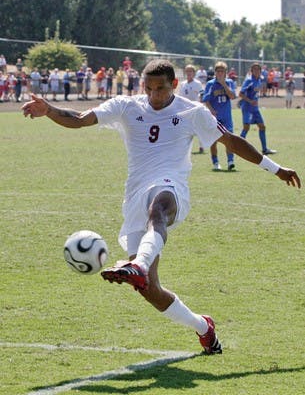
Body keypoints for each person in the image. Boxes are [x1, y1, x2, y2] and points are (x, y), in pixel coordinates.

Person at [22, 59, 301, 355]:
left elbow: (231, 141)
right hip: (134, 197)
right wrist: (49, 110)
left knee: (159, 206)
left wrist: (275, 168)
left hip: (172, 188)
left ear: (174, 85)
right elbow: (79, 119)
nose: (155, 95)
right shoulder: (127, 106)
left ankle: (138, 265)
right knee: (150, 291)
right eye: (150, 88)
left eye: (161, 89)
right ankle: (203, 327)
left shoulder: (192, 112)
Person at [201, 61, 236, 171]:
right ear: (215, 72)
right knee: (213, 140)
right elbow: (205, 100)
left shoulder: (229, 82)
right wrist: (211, 110)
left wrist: (224, 84)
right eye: (218, 71)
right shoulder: (210, 84)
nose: (220, 73)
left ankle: (230, 161)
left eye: (222, 71)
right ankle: (215, 162)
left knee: (229, 139)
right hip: (215, 117)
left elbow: (232, 96)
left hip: (226, 117)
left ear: (226, 73)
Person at [239, 63, 277, 155]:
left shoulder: (259, 80)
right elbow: (241, 94)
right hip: (247, 108)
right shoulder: (249, 80)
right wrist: (250, 101)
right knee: (246, 127)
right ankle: (238, 147)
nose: (257, 71)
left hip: (255, 109)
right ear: (251, 71)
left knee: (262, 126)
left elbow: (256, 92)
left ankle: (264, 149)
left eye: (258, 69)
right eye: (254, 69)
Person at [179, 64, 204, 154]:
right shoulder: (183, 84)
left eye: (191, 71)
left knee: (198, 128)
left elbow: (202, 94)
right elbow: (180, 97)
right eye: (187, 71)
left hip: (195, 109)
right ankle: (186, 147)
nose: (189, 73)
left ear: (194, 73)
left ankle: (201, 146)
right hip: (185, 110)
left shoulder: (197, 83)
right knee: (186, 129)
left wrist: (200, 104)